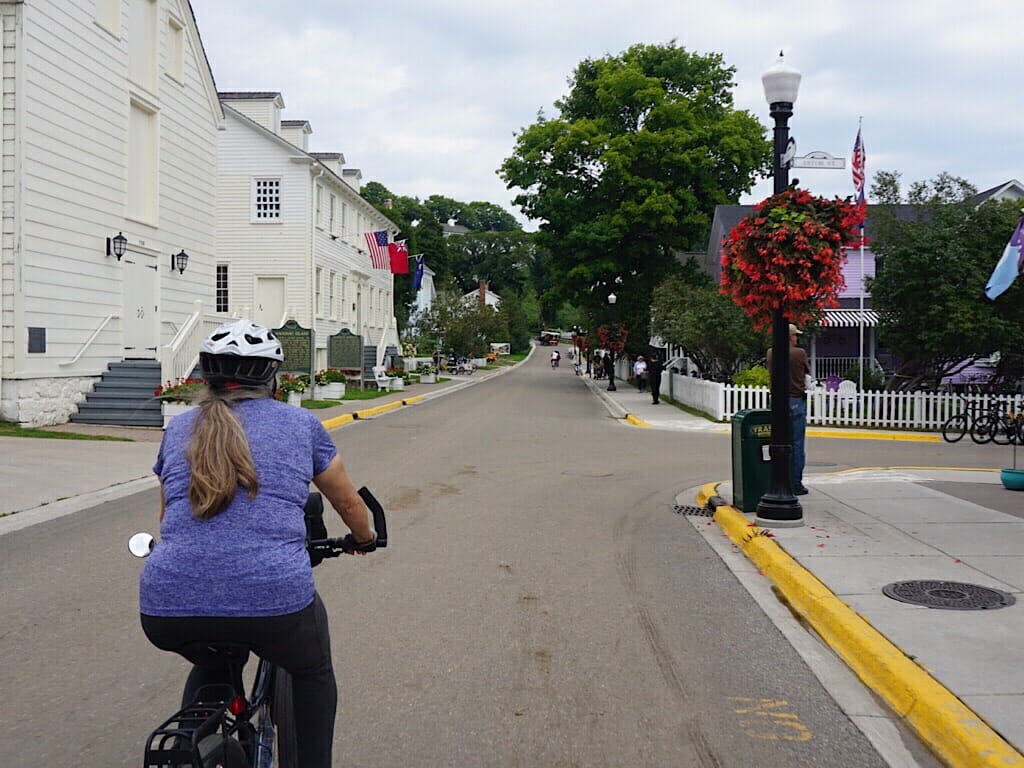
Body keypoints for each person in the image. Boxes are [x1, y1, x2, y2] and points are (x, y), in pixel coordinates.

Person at [138, 319, 376, 768]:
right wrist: (364, 537)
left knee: (210, 656)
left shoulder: (179, 428)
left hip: (165, 606)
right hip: (275, 602)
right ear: (273, 376)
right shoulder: (300, 424)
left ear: (204, 376)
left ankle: (195, 732)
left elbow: (169, 518)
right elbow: (346, 502)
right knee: (312, 669)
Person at [766, 324, 811, 495]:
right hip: (795, 399)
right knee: (797, 443)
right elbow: (806, 373)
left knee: (777, 441)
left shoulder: (771, 352)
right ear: (791, 337)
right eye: (795, 336)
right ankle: (796, 482)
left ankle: (777, 479)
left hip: (777, 401)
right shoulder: (799, 353)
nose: (797, 339)